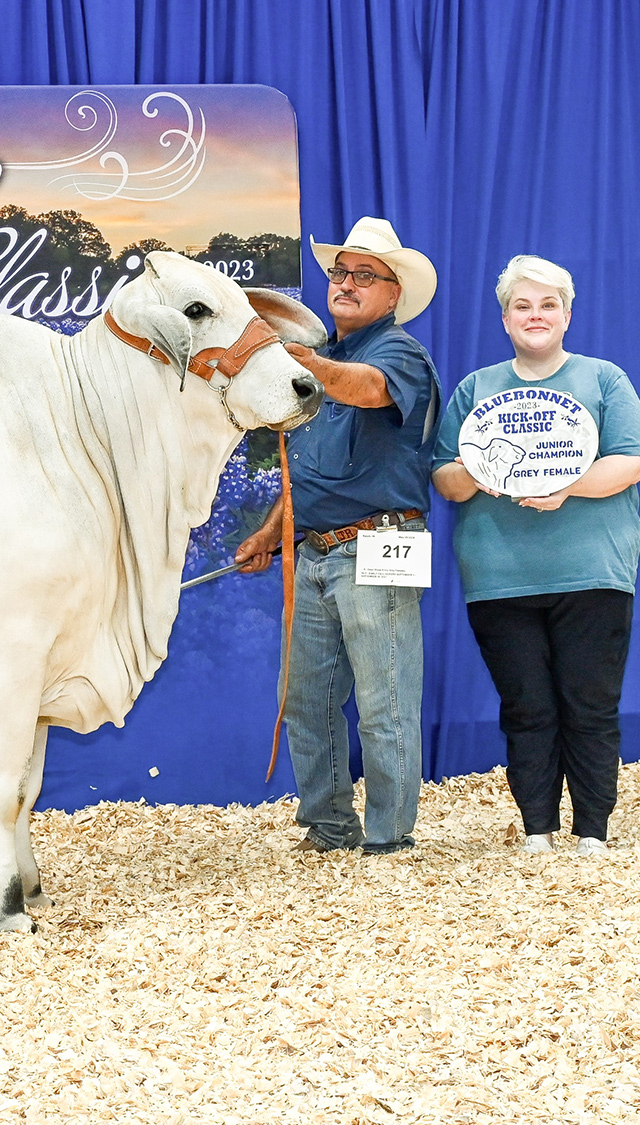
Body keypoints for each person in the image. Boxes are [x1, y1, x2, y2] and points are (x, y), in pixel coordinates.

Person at [431, 255, 640, 856]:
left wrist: (566, 487)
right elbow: (445, 479)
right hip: (499, 576)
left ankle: (592, 830)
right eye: (522, 306)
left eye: (548, 304)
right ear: (505, 319)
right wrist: (480, 468)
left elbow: (634, 458)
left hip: (593, 571)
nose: (536, 315)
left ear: (567, 315)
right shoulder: (475, 390)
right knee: (526, 706)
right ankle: (537, 828)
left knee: (589, 701)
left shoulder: (604, 379)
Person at [235, 217, 440, 855]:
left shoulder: (396, 352)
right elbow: (307, 469)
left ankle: (388, 839)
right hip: (314, 550)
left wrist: (307, 364)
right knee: (303, 700)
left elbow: (371, 391)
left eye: (363, 276)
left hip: (381, 543)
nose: (346, 284)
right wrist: (271, 532)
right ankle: (327, 826)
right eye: (339, 273)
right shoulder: (330, 355)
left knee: (385, 698)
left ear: (392, 294)